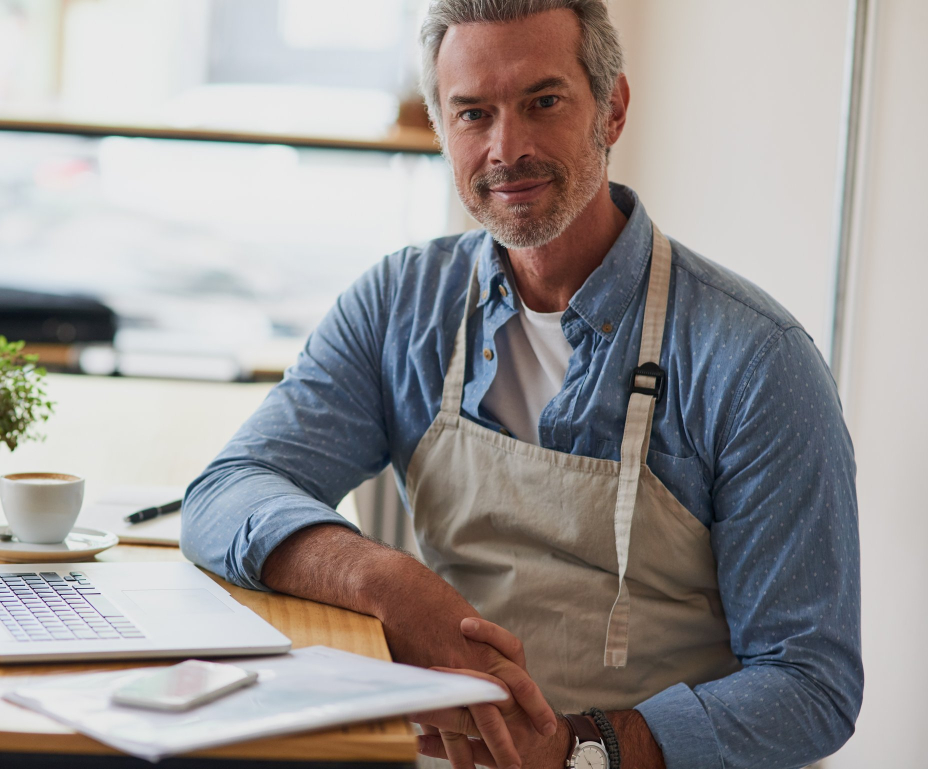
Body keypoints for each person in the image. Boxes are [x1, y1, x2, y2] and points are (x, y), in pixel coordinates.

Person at [181, 1, 863, 767]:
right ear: (441, 127)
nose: (507, 149)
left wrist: (581, 747)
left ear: (613, 109)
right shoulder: (401, 305)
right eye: (473, 114)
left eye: (543, 102)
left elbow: (811, 683)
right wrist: (385, 581)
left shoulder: (756, 361)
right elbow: (224, 493)